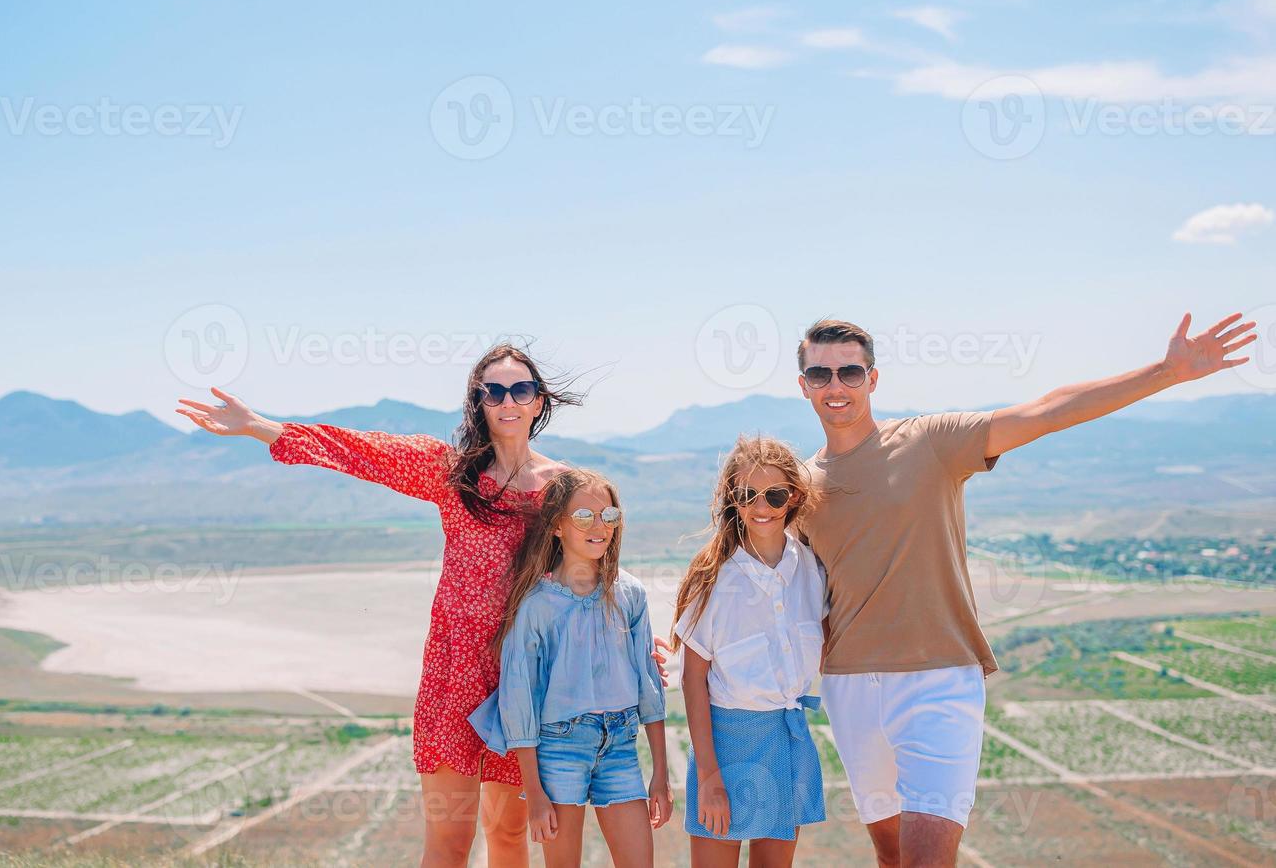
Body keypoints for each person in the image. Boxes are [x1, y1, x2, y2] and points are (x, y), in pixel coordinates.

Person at [175, 343, 668, 868]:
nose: (507, 401)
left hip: (527, 680)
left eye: (520, 389)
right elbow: (364, 452)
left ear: (538, 400)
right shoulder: (450, 473)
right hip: (455, 676)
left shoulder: (563, 489)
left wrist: (630, 640)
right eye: (493, 391)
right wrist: (261, 426)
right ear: (478, 402)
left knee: (508, 837)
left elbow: (592, 564)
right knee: (449, 844)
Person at [792, 312, 1257, 867]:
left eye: (849, 372)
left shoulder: (928, 442)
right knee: (891, 857)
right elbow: (787, 590)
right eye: (821, 375)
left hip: (939, 682)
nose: (835, 386)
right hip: (850, 689)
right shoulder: (797, 487)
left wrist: (1165, 371)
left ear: (873, 378)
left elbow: (1045, 411)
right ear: (804, 386)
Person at [469, 468, 671, 868]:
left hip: (620, 745)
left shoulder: (630, 593)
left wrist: (661, 774)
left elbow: (650, 689)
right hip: (559, 748)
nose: (599, 527)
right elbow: (519, 701)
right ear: (557, 527)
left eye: (609, 516)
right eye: (584, 517)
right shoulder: (537, 606)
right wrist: (536, 795)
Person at [670, 436, 829, 867]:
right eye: (747, 495)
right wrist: (708, 777)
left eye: (775, 494)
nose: (761, 506)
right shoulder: (715, 577)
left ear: (793, 497)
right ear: (732, 499)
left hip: (789, 738)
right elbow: (692, 679)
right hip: (726, 746)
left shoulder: (813, 570)